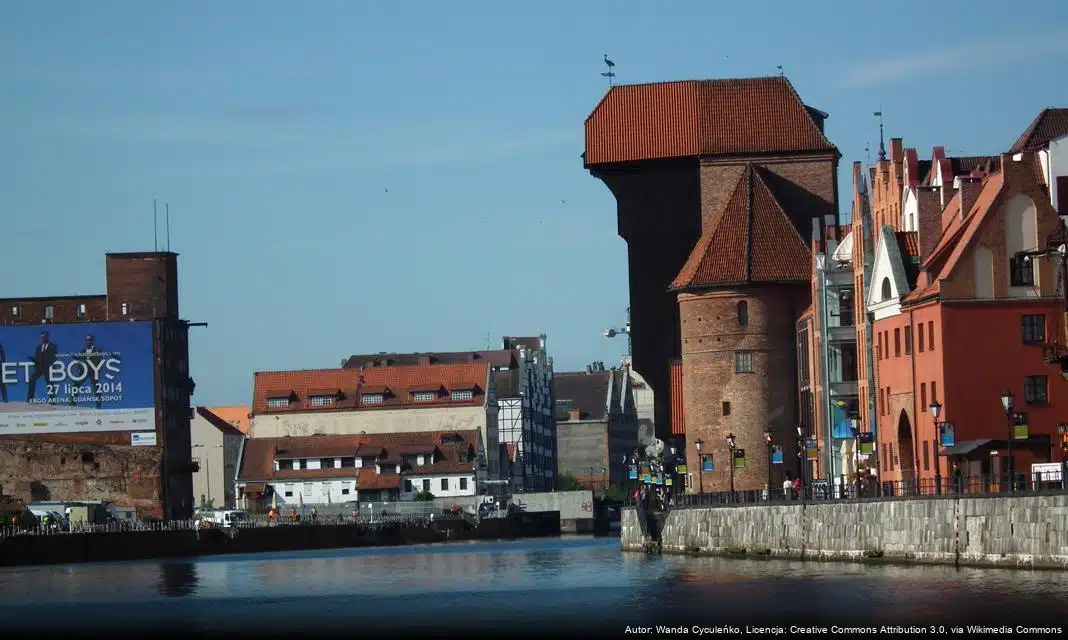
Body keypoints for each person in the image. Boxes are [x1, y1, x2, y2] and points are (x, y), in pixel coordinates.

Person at [26, 331, 58, 404]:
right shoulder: (38, 347)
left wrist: (51, 366)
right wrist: (32, 359)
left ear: (47, 337)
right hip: (39, 368)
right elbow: (37, 359)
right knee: (31, 380)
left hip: (48, 368)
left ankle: (52, 401)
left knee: (50, 383)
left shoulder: (53, 346)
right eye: (41, 337)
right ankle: (30, 399)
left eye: (43, 337)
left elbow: (54, 358)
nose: (42, 338)